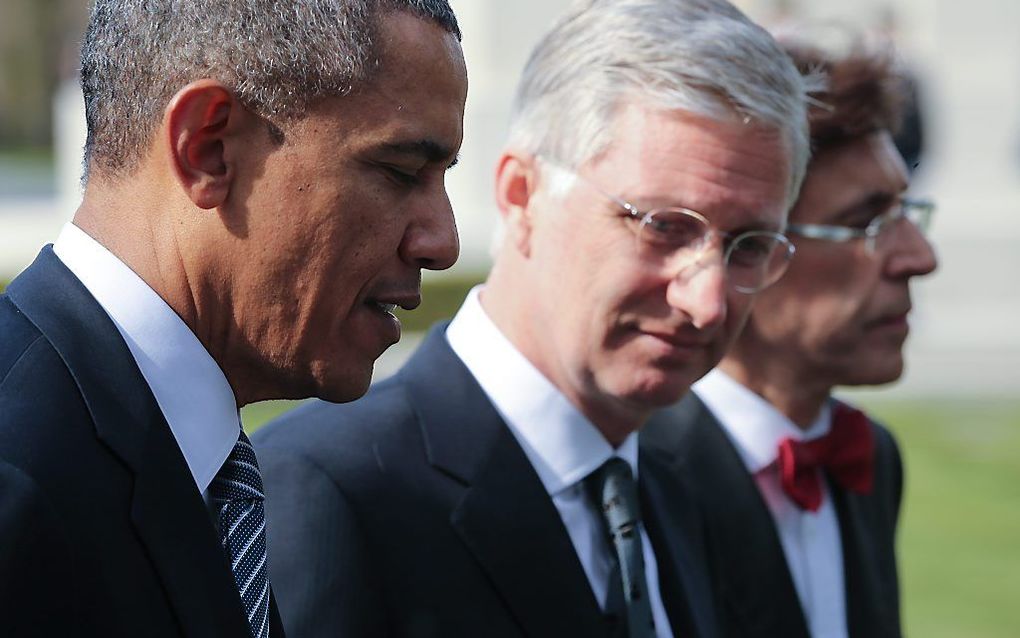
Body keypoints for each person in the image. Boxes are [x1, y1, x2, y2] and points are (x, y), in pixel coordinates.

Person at [253, 0, 812, 636]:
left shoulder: (701, 487)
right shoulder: (322, 494)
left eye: (752, 246)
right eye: (663, 227)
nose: (707, 300)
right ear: (522, 196)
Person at [0, 0, 466, 636]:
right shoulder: (20, 483)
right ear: (208, 148)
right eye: (401, 171)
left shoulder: (185, 467)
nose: (442, 242)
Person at [641, 39, 938, 638]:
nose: (919, 257)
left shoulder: (872, 459)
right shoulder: (637, 476)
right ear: (748, 246)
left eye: (908, 214)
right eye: (867, 222)